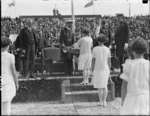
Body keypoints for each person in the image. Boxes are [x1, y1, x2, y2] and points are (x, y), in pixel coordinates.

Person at [120, 37, 149, 115]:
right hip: (146, 98)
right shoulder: (148, 64)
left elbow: (124, 85)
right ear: (145, 51)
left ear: (132, 50)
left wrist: (123, 100)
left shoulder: (128, 64)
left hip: (131, 98)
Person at [91, 34, 111, 107]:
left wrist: (92, 69)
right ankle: (104, 101)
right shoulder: (107, 49)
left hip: (97, 68)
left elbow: (93, 60)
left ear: (98, 41)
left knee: (100, 86)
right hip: (105, 68)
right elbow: (109, 61)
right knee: (104, 85)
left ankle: (101, 101)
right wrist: (109, 69)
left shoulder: (95, 49)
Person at [1, 36, 19, 115]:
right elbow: (13, 71)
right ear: (8, 46)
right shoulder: (10, 56)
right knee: (7, 106)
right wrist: (16, 82)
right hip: (8, 82)